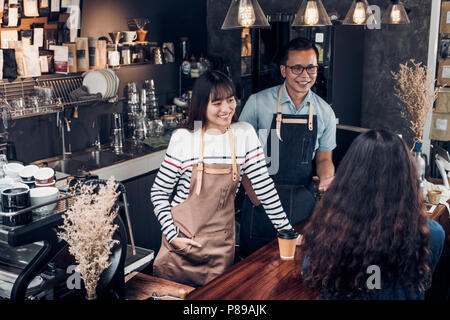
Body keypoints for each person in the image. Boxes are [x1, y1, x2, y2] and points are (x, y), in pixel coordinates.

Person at [150, 70, 294, 287]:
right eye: (217, 103)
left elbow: (264, 187)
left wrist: (286, 231)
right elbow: (159, 192)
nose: (226, 108)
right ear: (201, 105)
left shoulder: (244, 134)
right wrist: (172, 235)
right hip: (181, 247)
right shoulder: (183, 139)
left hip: (220, 249)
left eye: (230, 100)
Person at [300, 129, 445, 300]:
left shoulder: (330, 228)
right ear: (407, 179)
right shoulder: (432, 233)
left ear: (350, 175)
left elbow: (309, 274)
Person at [238, 37, 336, 256]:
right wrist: (253, 195)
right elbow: (239, 155)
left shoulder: (324, 111)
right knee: (252, 272)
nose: (305, 75)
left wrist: (328, 181)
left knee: (296, 270)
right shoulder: (257, 103)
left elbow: (324, 159)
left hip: (303, 203)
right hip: (261, 202)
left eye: (311, 68)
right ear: (283, 70)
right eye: (297, 68)